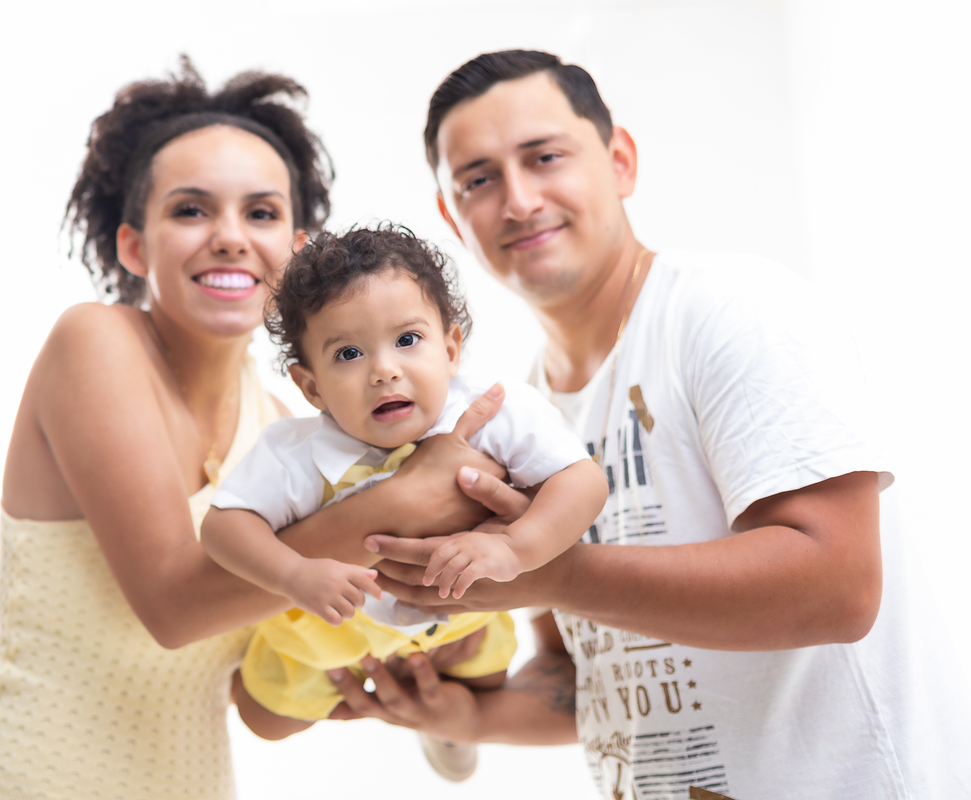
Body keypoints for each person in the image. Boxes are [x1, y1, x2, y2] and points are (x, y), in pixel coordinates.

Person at [328, 50, 971, 799]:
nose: (519, 200)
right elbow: (591, 668)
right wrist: (465, 715)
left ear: (620, 162)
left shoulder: (730, 310)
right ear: (452, 217)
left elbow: (839, 587)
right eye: (479, 180)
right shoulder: (525, 410)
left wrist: (557, 573)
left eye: (545, 157)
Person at [0, 61, 510, 799]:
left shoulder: (282, 430)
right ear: (134, 247)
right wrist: (408, 498)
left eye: (262, 213)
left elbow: (258, 688)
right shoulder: (94, 343)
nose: (231, 238)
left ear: (298, 251)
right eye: (191, 210)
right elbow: (174, 609)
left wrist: (416, 659)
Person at [200, 225, 606, 733]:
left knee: (486, 674)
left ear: (451, 349)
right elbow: (222, 526)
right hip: (339, 631)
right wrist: (292, 575)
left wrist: (516, 548)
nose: (384, 370)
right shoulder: (293, 451)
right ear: (311, 387)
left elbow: (582, 480)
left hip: (459, 614)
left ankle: (449, 735)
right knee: (266, 719)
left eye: (408, 340)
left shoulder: (494, 412)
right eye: (349, 354)